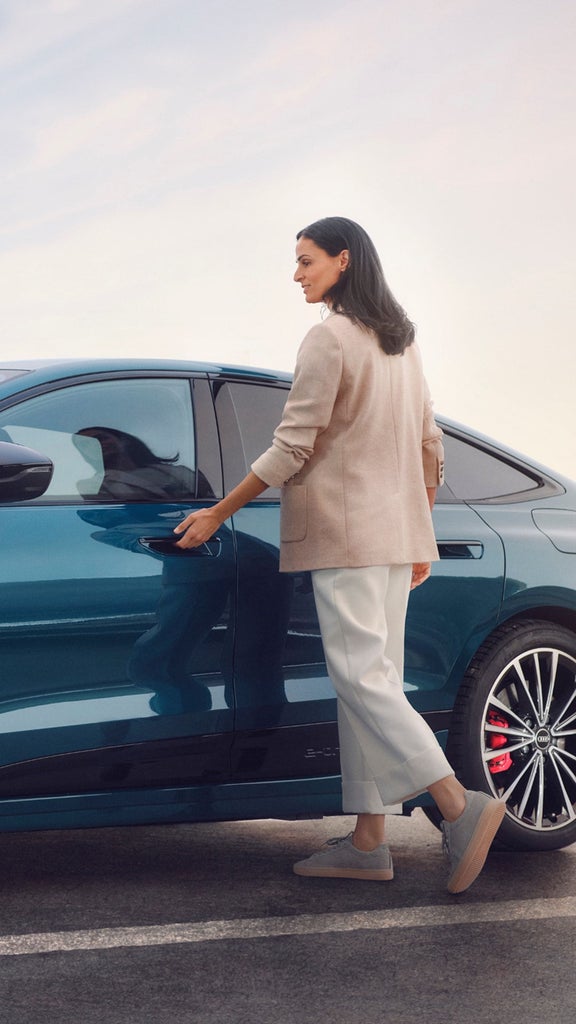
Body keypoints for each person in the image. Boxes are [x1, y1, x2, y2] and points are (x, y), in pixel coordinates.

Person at [174, 216, 505, 893]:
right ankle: (368, 841)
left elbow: (292, 447)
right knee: (370, 684)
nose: (296, 274)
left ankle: (456, 805)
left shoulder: (329, 338)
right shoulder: (402, 345)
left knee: (360, 679)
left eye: (306, 261)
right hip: (393, 537)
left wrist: (217, 512)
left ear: (343, 260)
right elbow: (431, 446)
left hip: (347, 537)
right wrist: (418, 532)